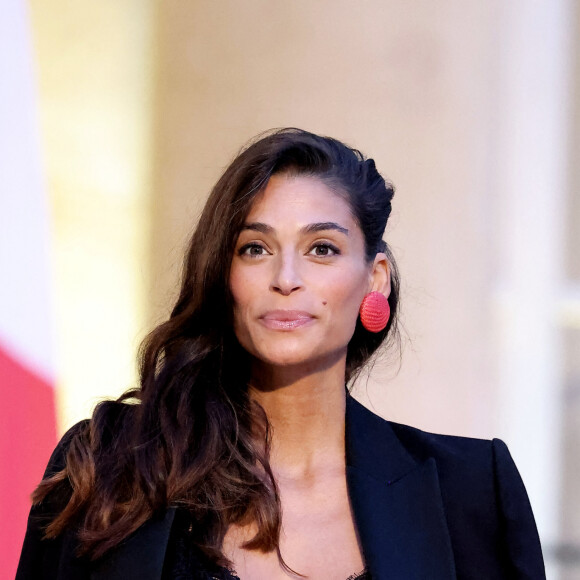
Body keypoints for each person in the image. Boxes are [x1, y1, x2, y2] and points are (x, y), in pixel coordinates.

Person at [17, 128, 545, 580]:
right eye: (255, 248)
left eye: (322, 249)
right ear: (225, 277)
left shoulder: (472, 492)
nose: (285, 279)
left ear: (373, 279)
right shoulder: (110, 464)